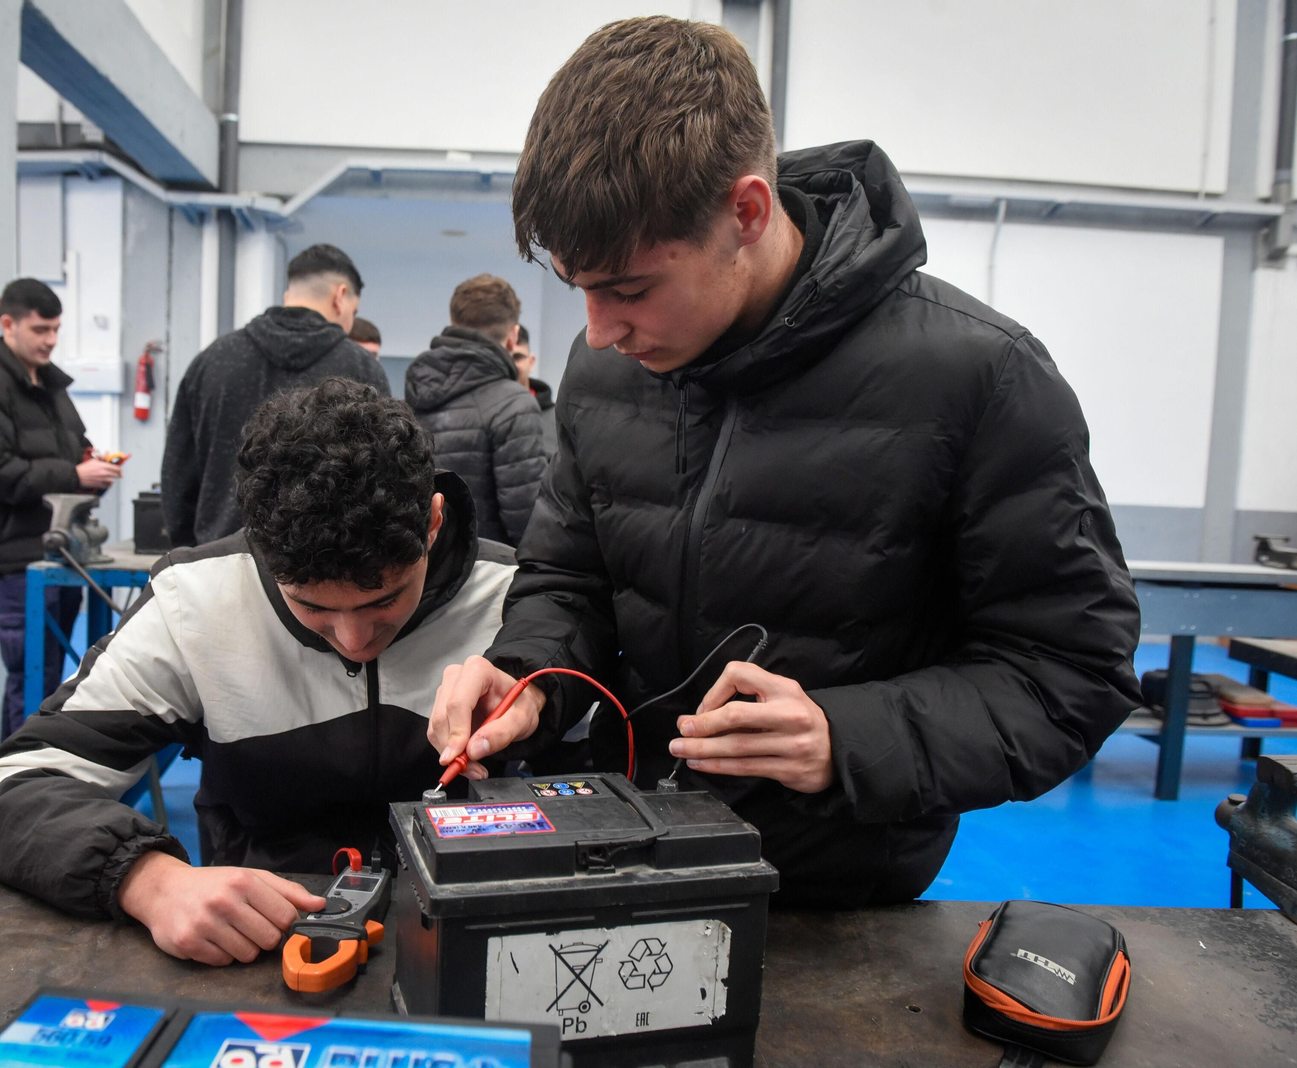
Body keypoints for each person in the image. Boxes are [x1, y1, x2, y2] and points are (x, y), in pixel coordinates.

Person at [428, 17, 1143, 909]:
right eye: (579, 286)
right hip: (626, 855)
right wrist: (531, 679)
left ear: (748, 213)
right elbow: (569, 578)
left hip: (837, 897)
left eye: (629, 288)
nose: (597, 331)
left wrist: (846, 738)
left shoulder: (979, 378)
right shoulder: (608, 367)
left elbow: (1072, 669)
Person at [0, 379, 518, 965]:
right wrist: (148, 880)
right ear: (262, 551)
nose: (354, 641)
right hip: (262, 944)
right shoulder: (194, 603)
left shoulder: (515, 601)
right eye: (313, 607)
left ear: (432, 521)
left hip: (478, 937)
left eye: (384, 599)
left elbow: (608, 790)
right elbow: (8, 789)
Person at [0, 278, 120, 740]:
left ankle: (34, 776)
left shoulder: (49, 388)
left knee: (50, 675)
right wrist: (73, 476)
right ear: (8, 324)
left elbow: (68, 450)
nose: (51, 340)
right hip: (12, 557)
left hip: (57, 551)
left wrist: (92, 464)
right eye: (41, 329)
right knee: (31, 675)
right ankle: (14, 790)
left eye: (56, 329)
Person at [161, 243, 389, 548]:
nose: (350, 322)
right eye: (354, 312)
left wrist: (192, 556)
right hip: (328, 568)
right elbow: (382, 481)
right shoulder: (362, 370)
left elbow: (178, 478)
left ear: (289, 296)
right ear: (340, 296)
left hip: (220, 560)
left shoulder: (212, 362)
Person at [404, 274, 547, 546]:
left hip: (426, 568)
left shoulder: (414, 391)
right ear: (513, 336)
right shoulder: (514, 403)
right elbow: (528, 522)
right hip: (492, 572)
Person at [512, 324, 556, 454]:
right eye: (504, 358)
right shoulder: (477, 417)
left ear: (531, 362)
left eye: (517, 357)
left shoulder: (560, 422)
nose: (510, 365)